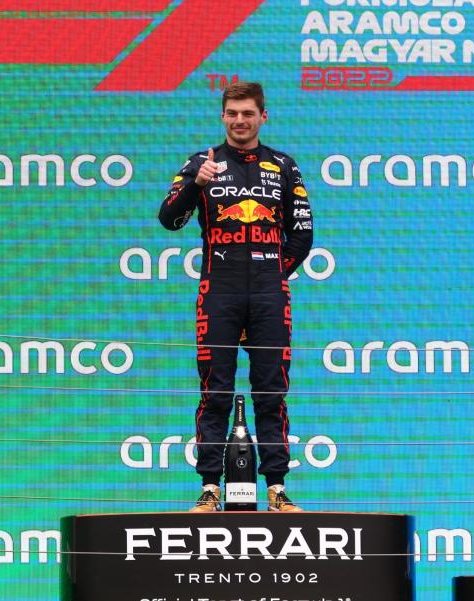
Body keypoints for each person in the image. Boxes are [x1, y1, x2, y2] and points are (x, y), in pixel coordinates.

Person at [158, 81, 313, 513]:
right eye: (232, 113)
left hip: (268, 293)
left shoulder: (284, 165)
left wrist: (270, 272)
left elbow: (303, 234)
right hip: (218, 290)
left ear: (264, 116)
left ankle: (277, 489)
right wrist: (194, 185)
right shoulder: (200, 163)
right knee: (215, 391)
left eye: (248, 113)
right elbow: (169, 220)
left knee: (271, 391)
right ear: (222, 117)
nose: (240, 121)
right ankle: (209, 488)